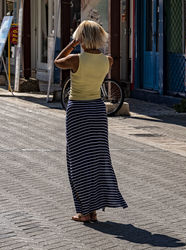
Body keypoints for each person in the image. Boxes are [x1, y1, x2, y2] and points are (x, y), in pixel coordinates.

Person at [54, 20, 128, 222]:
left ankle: (84, 212)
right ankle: (93, 210)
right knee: (96, 159)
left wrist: (71, 44)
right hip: (97, 111)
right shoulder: (108, 60)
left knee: (77, 160)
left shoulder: (76, 59)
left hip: (78, 111)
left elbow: (57, 62)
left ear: (82, 38)